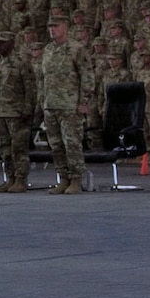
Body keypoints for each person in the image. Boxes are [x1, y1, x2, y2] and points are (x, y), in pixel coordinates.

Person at [41, 15, 94, 194]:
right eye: (50, 26)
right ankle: (63, 178)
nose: (52, 29)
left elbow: (87, 77)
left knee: (72, 144)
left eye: (55, 26)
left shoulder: (76, 49)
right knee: (56, 145)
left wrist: (83, 102)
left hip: (70, 105)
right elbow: (44, 78)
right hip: (51, 105)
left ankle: (76, 180)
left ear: (65, 27)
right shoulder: (48, 50)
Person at [0, 31, 35, 193]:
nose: (0, 46)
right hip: (0, 111)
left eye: (3, 42)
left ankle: (21, 179)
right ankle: (9, 177)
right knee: (5, 148)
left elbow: (30, 87)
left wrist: (27, 108)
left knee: (19, 148)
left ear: (11, 43)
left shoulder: (21, 62)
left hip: (17, 112)